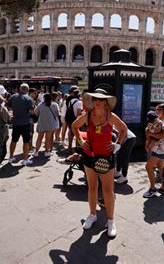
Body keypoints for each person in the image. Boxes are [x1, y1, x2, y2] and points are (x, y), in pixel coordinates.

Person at [72, 88, 127, 238]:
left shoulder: (111, 116)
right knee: (92, 187)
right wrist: (81, 141)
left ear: (105, 102)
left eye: (101, 99)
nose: (97, 101)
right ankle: (92, 214)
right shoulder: (88, 115)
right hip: (89, 156)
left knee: (108, 190)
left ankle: (110, 221)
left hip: (106, 157)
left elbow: (124, 129)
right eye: (95, 99)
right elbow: (74, 126)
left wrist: (118, 144)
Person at [143, 104, 164, 198]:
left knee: (148, 167)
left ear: (162, 110)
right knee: (161, 167)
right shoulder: (158, 121)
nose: (156, 112)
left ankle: (152, 189)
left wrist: (151, 135)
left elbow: (163, 135)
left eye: (157, 110)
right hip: (159, 148)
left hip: (160, 148)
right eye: (155, 110)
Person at [6, 83, 35, 166]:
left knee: (14, 140)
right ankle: (25, 159)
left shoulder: (13, 96)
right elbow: (32, 111)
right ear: (27, 90)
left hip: (15, 122)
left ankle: (11, 157)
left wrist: (13, 111)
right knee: (26, 141)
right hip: (25, 122)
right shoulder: (28, 98)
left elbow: (7, 106)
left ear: (20, 88)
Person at [33, 93, 59, 157]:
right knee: (48, 139)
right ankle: (47, 152)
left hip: (41, 123)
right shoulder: (55, 104)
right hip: (50, 124)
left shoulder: (40, 105)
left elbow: (35, 113)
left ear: (44, 98)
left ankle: (36, 152)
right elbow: (58, 113)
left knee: (39, 138)